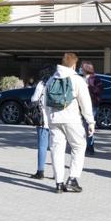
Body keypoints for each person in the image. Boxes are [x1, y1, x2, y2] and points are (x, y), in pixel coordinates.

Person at [32, 52, 94, 193]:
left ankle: (58, 183)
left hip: (54, 120)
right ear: (74, 64)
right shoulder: (77, 79)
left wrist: (49, 118)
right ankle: (72, 179)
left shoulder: (52, 79)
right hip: (72, 119)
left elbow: (46, 102)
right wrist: (90, 121)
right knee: (79, 146)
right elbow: (85, 102)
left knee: (56, 150)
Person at [82, 61, 101, 154]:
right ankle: (85, 145)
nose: (81, 69)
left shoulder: (95, 79)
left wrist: (88, 86)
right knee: (83, 127)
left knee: (89, 125)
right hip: (81, 105)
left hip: (92, 105)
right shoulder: (81, 78)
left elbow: (99, 90)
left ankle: (90, 146)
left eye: (82, 67)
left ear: (86, 69)